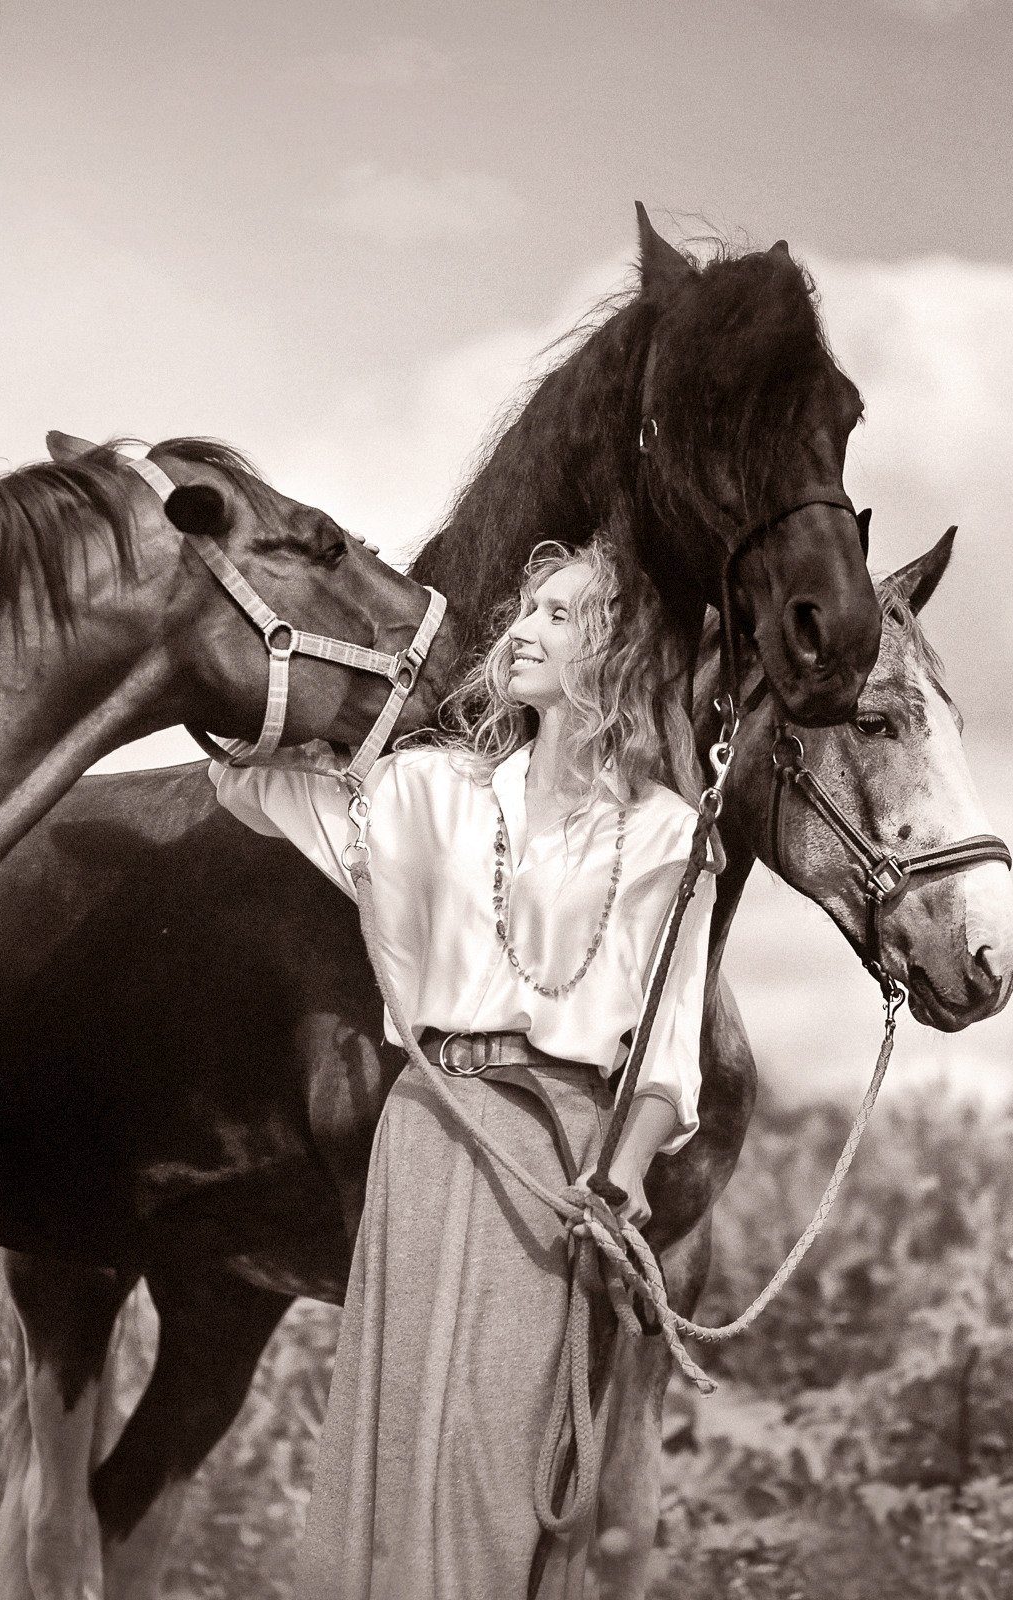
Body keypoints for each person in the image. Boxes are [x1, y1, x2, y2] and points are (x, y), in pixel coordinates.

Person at [209, 538, 716, 1599]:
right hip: (430, 1127)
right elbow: (250, 778)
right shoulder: (428, 793)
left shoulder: (671, 837)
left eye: (559, 616)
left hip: (559, 1158)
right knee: (400, 1440)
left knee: (500, 1452)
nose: (521, 630)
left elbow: (666, 1049)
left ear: (615, 653)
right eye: (527, 609)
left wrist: (620, 1176)